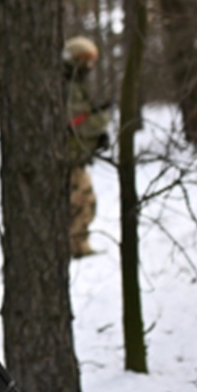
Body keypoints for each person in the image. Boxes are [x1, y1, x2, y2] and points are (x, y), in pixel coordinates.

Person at [63, 35, 112, 258]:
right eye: (87, 62)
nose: (90, 68)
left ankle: (78, 246)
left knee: (84, 203)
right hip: (69, 158)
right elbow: (77, 123)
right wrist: (102, 119)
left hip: (75, 156)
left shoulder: (74, 85)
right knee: (81, 204)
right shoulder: (69, 87)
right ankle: (76, 248)